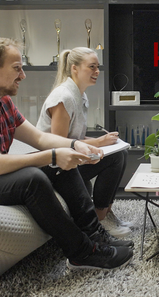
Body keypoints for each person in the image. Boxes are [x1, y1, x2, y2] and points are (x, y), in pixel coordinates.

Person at [0, 37, 133, 270]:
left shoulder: (1, 101)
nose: (23, 75)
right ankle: (82, 252)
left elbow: (39, 138)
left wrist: (73, 146)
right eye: (17, 69)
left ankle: (94, 234)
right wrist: (54, 155)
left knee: (56, 164)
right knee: (32, 179)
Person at [36, 47, 132, 238]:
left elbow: (76, 137)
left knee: (120, 153)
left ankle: (106, 213)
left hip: (66, 158)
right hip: (53, 167)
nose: (97, 71)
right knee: (115, 158)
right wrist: (98, 142)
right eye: (92, 67)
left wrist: (103, 142)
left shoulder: (80, 95)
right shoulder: (63, 97)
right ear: (74, 68)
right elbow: (60, 144)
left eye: (98, 67)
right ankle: (100, 218)